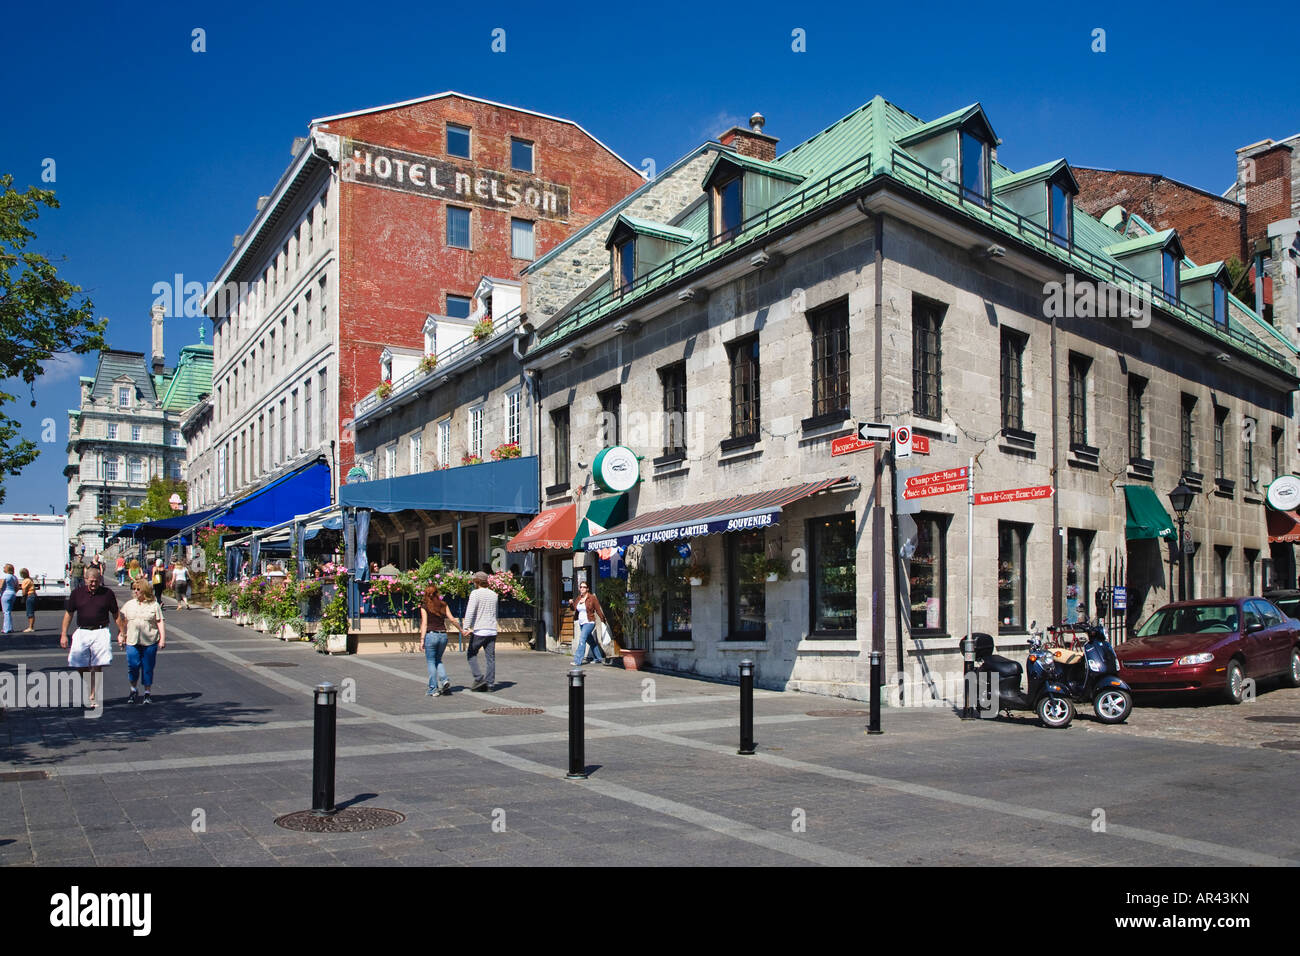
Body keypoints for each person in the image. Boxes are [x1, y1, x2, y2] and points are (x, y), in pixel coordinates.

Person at [60, 566, 119, 709]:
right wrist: (63, 634)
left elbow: (116, 614)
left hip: (101, 631)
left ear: (100, 580)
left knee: (98, 664)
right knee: (78, 663)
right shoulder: (77, 594)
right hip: (83, 631)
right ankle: (90, 683)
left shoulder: (107, 593)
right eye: (91, 581)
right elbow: (69, 614)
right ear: (85, 580)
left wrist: (122, 632)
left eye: (96, 581)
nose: (93, 584)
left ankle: (94, 694)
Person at [117, 578, 166, 705]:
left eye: (138, 589)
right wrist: (121, 635)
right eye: (134, 589)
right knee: (133, 666)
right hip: (132, 640)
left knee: (148, 667)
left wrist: (162, 639)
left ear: (145, 591)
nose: (136, 592)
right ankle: (133, 690)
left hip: (149, 641)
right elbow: (122, 620)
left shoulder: (154, 605)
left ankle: (147, 693)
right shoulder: (129, 604)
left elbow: (160, 622)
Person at [419, 584, 462, 697]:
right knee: (438, 659)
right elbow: (452, 619)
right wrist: (461, 630)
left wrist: (422, 639)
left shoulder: (424, 606)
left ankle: (433, 688)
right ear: (437, 593)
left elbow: (424, 624)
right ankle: (444, 680)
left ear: (426, 594)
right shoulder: (443, 604)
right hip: (443, 635)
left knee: (431, 662)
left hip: (431, 635)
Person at [461, 571, 499, 692]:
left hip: (480, 629)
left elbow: (470, 611)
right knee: (490, 658)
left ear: (477, 582)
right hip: (492, 629)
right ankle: (490, 684)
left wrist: (466, 627)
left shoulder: (475, 594)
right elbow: (495, 613)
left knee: (471, 654)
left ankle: (478, 677)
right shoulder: (494, 594)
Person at [570, 580, 611, 666]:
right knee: (591, 641)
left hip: (589, 622)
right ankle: (598, 658)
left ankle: (577, 660)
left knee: (582, 640)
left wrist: (603, 620)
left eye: (584, 587)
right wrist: (570, 604)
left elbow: (598, 609)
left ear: (587, 589)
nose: (582, 589)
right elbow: (574, 609)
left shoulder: (592, 598)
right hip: (581, 623)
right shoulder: (578, 598)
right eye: (581, 587)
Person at [1, 564, 19, 634]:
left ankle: (6, 629)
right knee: (8, 612)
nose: (3, 568)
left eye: (4, 567)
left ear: (7, 569)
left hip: (5, 594)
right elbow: (17, 587)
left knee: (6, 612)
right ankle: (9, 627)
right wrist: (14, 592)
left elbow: (1, 586)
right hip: (12, 594)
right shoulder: (14, 577)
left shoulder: (4, 576)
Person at [19, 568, 39, 633]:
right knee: (31, 611)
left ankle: (30, 627)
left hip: (29, 596)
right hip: (33, 595)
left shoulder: (26, 580)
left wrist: (23, 596)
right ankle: (31, 626)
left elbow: (24, 589)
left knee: (30, 612)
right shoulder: (30, 579)